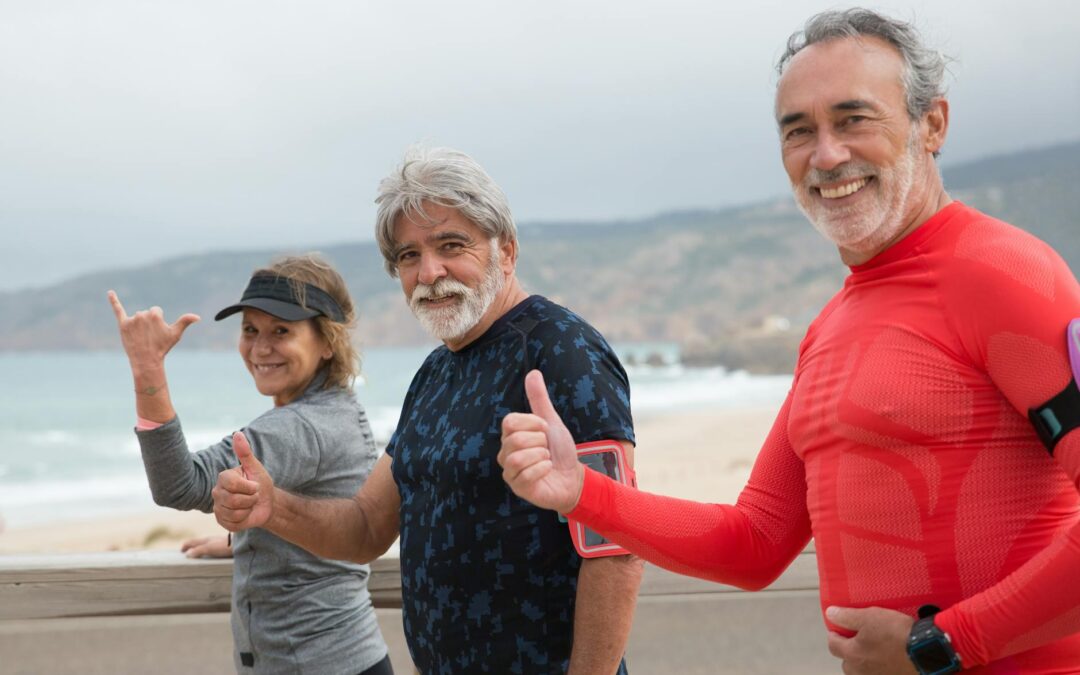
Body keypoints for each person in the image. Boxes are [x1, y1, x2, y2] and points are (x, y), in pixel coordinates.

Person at [498, 8, 1080, 675]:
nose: (826, 154)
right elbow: (755, 541)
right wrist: (581, 491)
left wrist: (945, 643)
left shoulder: (1007, 276)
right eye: (798, 130)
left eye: (853, 118)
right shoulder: (829, 329)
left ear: (933, 125)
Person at [212, 147, 643, 674]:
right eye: (408, 256)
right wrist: (272, 508)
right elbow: (367, 527)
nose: (429, 271)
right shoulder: (435, 373)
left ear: (505, 250)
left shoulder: (562, 350)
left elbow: (616, 545)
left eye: (451, 245)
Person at [109, 254, 392, 675]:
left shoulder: (298, 426)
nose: (260, 348)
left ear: (327, 341)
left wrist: (147, 368)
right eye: (250, 330)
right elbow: (323, 506)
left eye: (282, 331)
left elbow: (179, 483)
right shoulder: (339, 408)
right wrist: (245, 543)